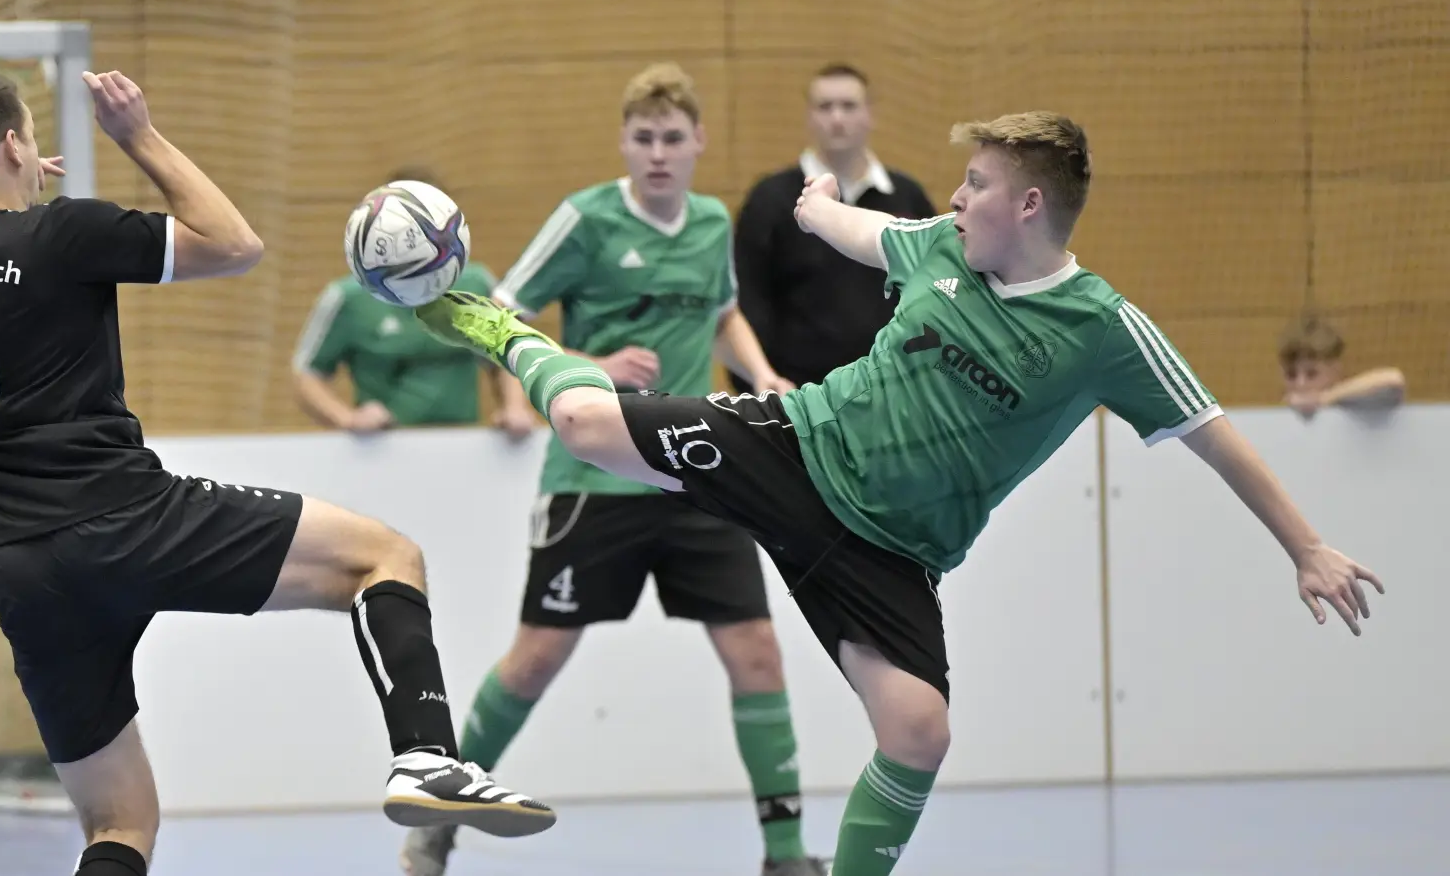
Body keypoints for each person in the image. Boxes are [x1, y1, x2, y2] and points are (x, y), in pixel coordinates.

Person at [412, 110, 1386, 876]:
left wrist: (1303, 547)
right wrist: (814, 204)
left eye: (977, 185)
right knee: (587, 424)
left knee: (918, 732)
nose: (956, 199)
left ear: (1031, 206)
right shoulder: (937, 248)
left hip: (887, 552)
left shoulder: (1104, 330)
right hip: (797, 451)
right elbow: (849, 226)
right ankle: (478, 321)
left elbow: (1213, 434)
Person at [0, 69, 554, 876]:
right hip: (126, 518)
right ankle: (426, 758)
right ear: (14, 144)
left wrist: (13, 230)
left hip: (20, 567)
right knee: (386, 557)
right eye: (29, 140)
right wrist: (137, 137)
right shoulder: (61, 234)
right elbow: (235, 245)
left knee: (118, 823)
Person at [400, 62, 827, 876]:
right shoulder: (585, 221)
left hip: (698, 471)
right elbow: (499, 316)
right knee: (534, 659)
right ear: (624, 144)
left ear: (698, 142)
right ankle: (439, 816)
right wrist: (590, 364)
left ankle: (784, 856)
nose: (659, 153)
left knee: (758, 654)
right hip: (594, 478)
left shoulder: (709, 222)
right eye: (644, 138)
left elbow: (725, 311)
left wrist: (761, 375)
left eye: (673, 138)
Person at [730, 63, 937, 393]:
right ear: (809, 116)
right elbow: (749, 300)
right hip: (799, 396)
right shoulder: (770, 199)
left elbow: (932, 293)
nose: (837, 118)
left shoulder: (907, 197)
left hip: (893, 391)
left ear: (870, 114)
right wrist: (759, 383)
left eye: (849, 106)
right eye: (825, 107)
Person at [292, 166, 535, 436]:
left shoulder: (476, 285)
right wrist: (347, 419)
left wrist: (515, 407)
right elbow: (307, 375)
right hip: (381, 450)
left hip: (463, 449)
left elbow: (509, 352)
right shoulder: (347, 298)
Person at [1277, 316, 1406, 417]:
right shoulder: (1282, 414)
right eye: (1291, 375)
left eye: (1312, 374)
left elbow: (1394, 379)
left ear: (1335, 370)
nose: (1301, 384)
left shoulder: (1353, 400)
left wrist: (1324, 399)